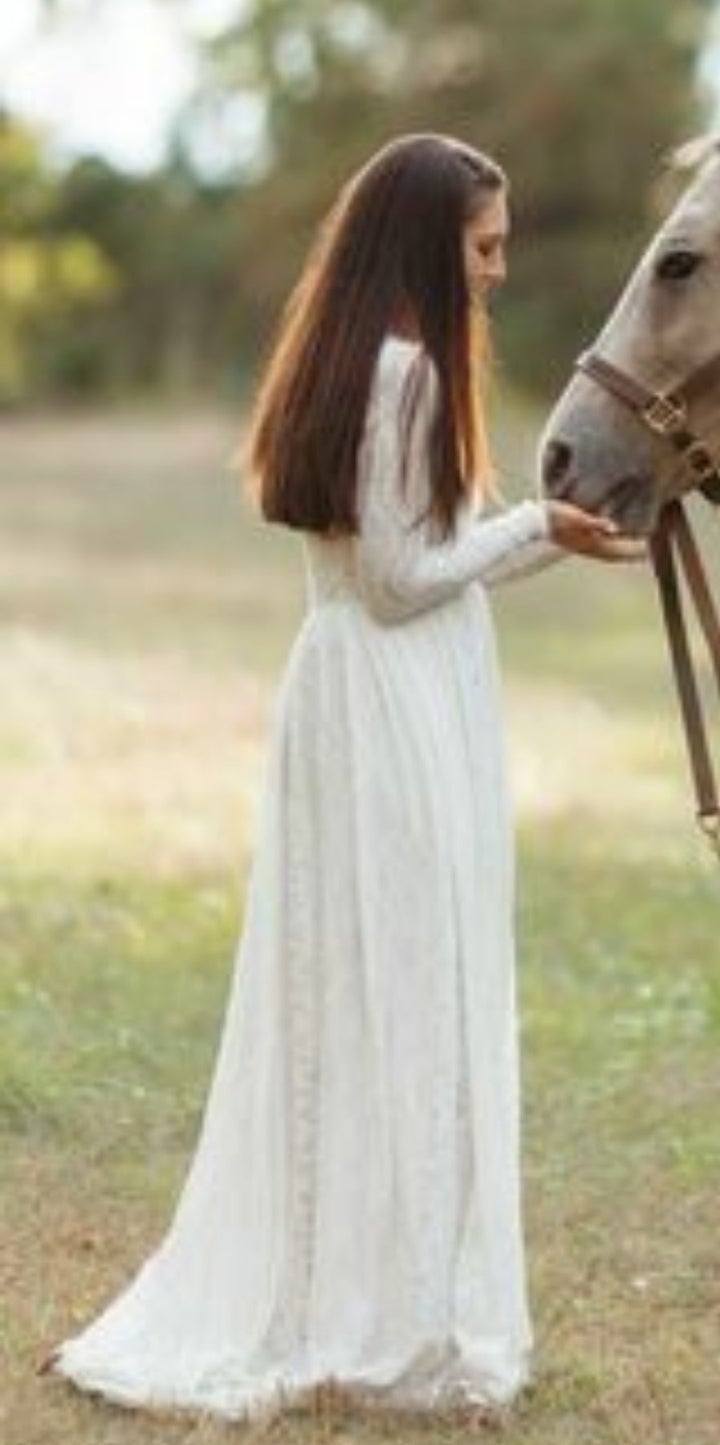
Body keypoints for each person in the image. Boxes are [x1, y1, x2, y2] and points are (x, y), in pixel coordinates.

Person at [47, 133, 640, 1422]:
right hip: (390, 701)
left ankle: (376, 1284)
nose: (496, 270)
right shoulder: (408, 373)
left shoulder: (354, 360)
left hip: (358, 689)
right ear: (432, 242)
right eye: (484, 247)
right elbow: (399, 584)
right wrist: (536, 526)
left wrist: (550, 540)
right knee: (409, 990)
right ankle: (385, 1307)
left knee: (372, 990)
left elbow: (399, 559)